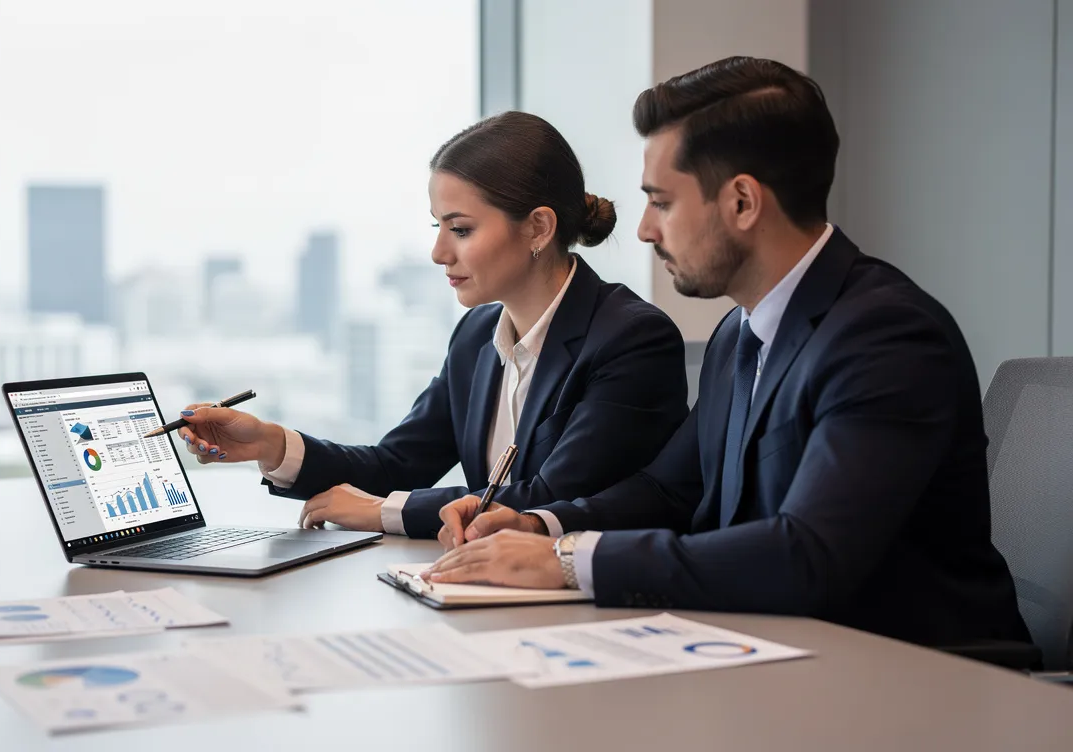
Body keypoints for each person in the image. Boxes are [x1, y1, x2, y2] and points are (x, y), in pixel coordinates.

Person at [426, 57, 1031, 646]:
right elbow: (669, 491)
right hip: (776, 654)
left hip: (918, 678)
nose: (642, 228)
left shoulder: (887, 336)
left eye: (662, 201)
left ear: (742, 202)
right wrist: (538, 524)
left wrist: (565, 561)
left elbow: (808, 555)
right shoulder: (737, 335)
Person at [174, 111, 689, 539]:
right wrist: (273, 444)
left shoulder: (631, 339)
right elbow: (397, 465)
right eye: (437, 226)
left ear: (538, 226)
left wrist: (382, 513)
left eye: (461, 229)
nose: (439, 252)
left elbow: (546, 498)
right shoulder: (475, 338)